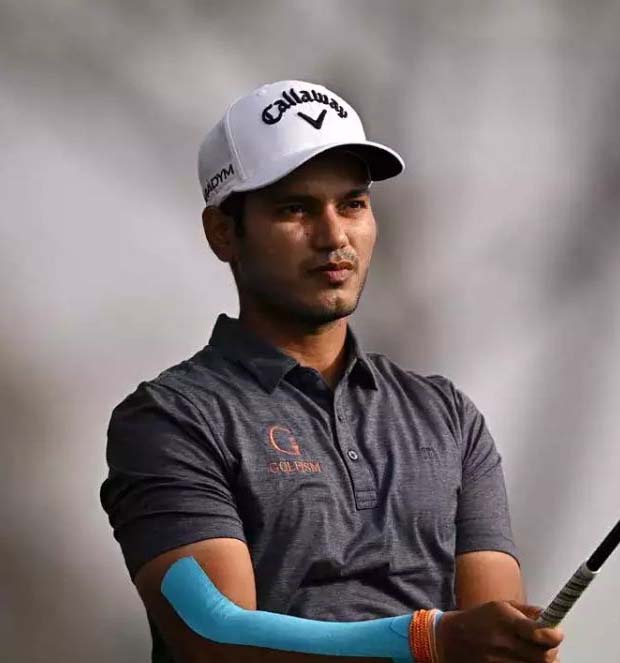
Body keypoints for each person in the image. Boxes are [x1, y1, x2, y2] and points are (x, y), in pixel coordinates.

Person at [100, 80, 564, 663]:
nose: (333, 236)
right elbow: (215, 634)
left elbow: (489, 632)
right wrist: (427, 641)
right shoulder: (169, 420)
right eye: (294, 209)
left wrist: (513, 646)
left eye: (353, 204)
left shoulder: (447, 416)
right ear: (223, 232)